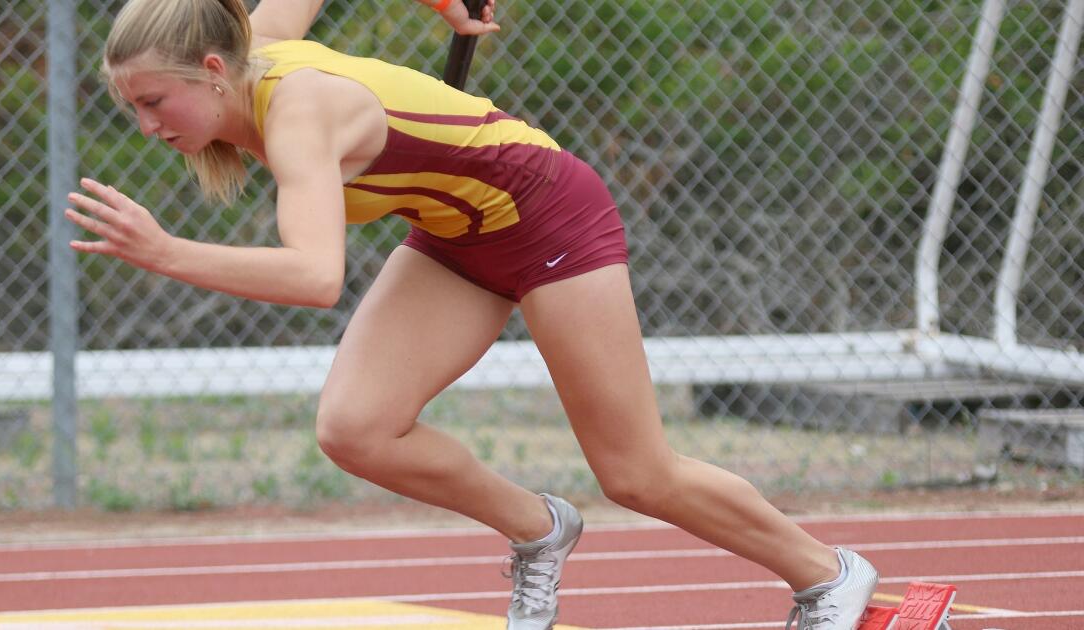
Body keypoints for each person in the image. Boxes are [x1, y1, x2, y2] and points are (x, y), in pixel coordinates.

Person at [66, 0, 880, 627]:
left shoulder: (296, 114)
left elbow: (316, 277)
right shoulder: (252, 43)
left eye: (154, 101)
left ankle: (827, 573)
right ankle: (539, 528)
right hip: (460, 232)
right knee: (356, 427)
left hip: (548, 211)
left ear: (212, 69)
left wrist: (166, 251)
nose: (145, 125)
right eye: (132, 107)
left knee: (636, 473)